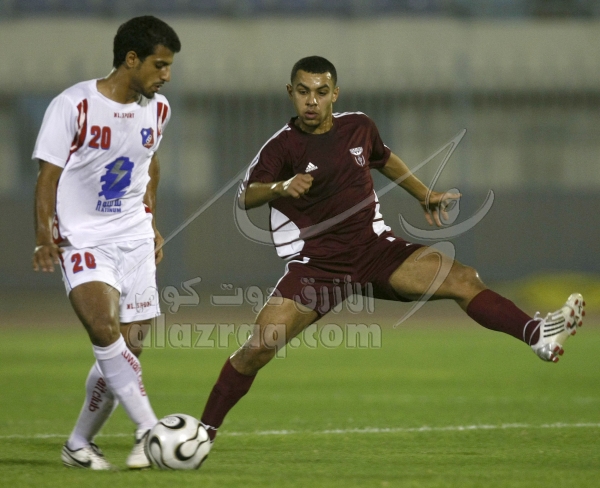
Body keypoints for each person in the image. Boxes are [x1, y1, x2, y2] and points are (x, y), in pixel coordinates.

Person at [198, 56, 585, 444]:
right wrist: (281, 187)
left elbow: (383, 159)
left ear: (335, 94)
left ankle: (537, 335)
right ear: (290, 93)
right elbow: (246, 196)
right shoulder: (282, 147)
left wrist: (424, 194)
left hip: (375, 252)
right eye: (303, 92)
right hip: (318, 266)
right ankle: (201, 434)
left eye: (320, 92)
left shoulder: (359, 127)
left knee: (464, 279)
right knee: (258, 348)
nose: (311, 101)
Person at [32, 16, 181, 470]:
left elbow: (150, 164)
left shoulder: (158, 110)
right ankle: (149, 428)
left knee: (127, 348)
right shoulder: (74, 105)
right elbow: (48, 176)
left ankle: (78, 444)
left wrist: (151, 221)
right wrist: (43, 236)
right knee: (103, 328)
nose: (166, 75)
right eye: (159, 64)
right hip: (82, 236)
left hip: (133, 236)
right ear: (131, 59)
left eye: (169, 66)